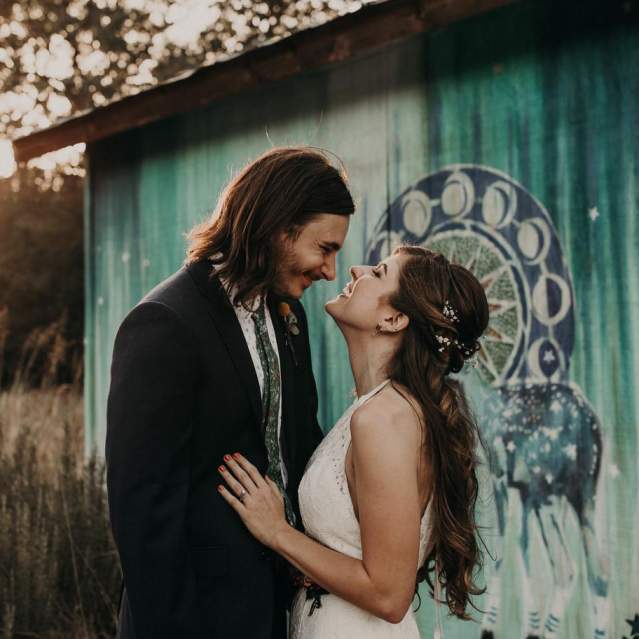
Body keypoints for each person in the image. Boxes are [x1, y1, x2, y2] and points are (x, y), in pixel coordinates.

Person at [105, 146, 354, 639]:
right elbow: (144, 511)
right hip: (197, 615)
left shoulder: (288, 316)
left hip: (274, 607)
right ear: (279, 227)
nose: (328, 271)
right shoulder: (165, 323)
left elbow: (298, 443)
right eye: (324, 248)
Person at [217, 245, 490, 638]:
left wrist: (277, 532)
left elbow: (389, 594)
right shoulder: (381, 409)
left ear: (393, 318)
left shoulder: (384, 418)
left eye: (377, 272)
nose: (356, 270)